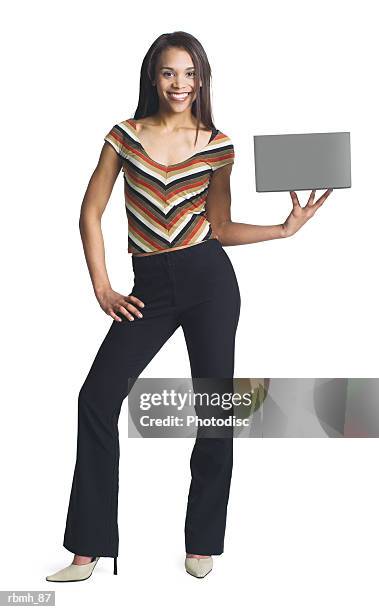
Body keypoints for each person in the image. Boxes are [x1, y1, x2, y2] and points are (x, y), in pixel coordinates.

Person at [46, 30, 333, 583]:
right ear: (153, 77)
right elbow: (91, 211)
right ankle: (88, 548)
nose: (180, 84)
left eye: (190, 74)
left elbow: (219, 227)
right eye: (169, 73)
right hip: (147, 286)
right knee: (97, 397)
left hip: (209, 281)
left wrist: (283, 229)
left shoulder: (219, 143)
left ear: (202, 80)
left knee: (214, 408)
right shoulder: (124, 136)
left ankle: (203, 543)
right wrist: (102, 287)